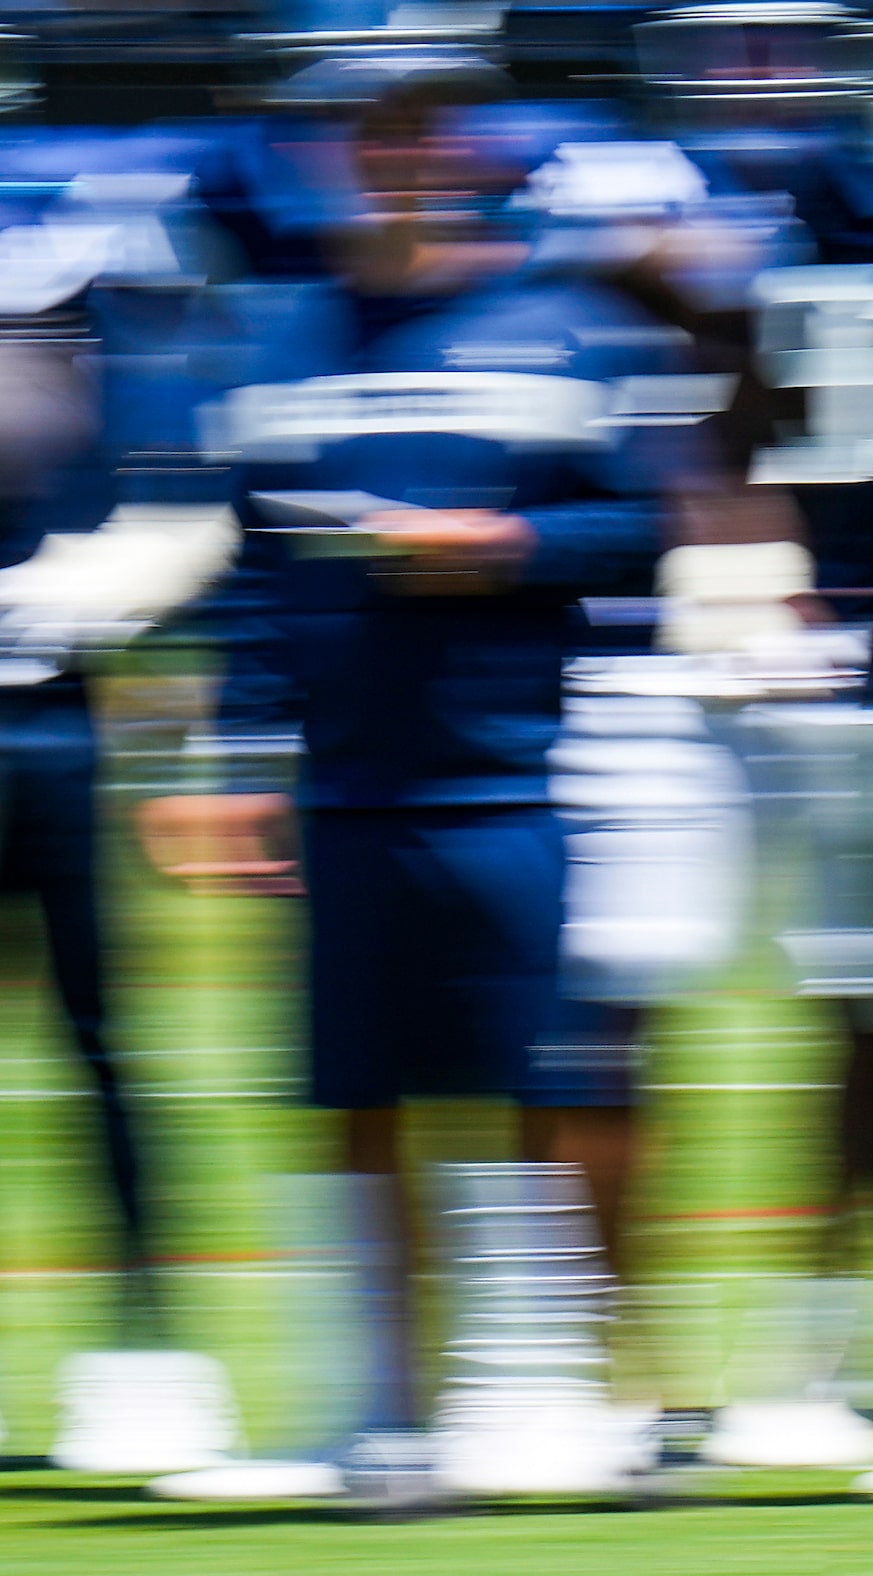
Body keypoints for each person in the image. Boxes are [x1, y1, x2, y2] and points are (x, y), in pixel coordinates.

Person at [137, 50, 697, 1483]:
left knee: (537, 1089)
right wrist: (228, 755)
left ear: (473, 142)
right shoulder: (275, 331)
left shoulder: (563, 327)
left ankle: (536, 1393)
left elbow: (641, 534)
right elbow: (255, 576)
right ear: (326, 143)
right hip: (341, 785)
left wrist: (499, 548)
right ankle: (380, 1402)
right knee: (356, 1097)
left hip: (511, 775)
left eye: (426, 123)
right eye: (369, 124)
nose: (398, 147)